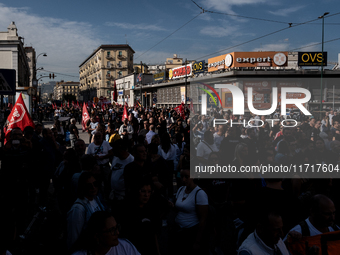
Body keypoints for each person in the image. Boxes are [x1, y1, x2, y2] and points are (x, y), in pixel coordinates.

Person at [173, 168, 209, 255]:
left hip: (190, 233)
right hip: (178, 231)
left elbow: (203, 219)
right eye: (182, 177)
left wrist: (197, 241)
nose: (183, 179)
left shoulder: (199, 193)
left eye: (186, 177)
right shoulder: (181, 189)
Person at [71, 211, 140, 255]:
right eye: (112, 230)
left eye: (117, 227)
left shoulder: (125, 247)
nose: (118, 232)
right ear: (97, 236)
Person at [67, 172, 105, 250]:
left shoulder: (96, 199)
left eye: (95, 184)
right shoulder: (78, 209)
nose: (93, 187)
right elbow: (73, 238)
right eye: (89, 186)